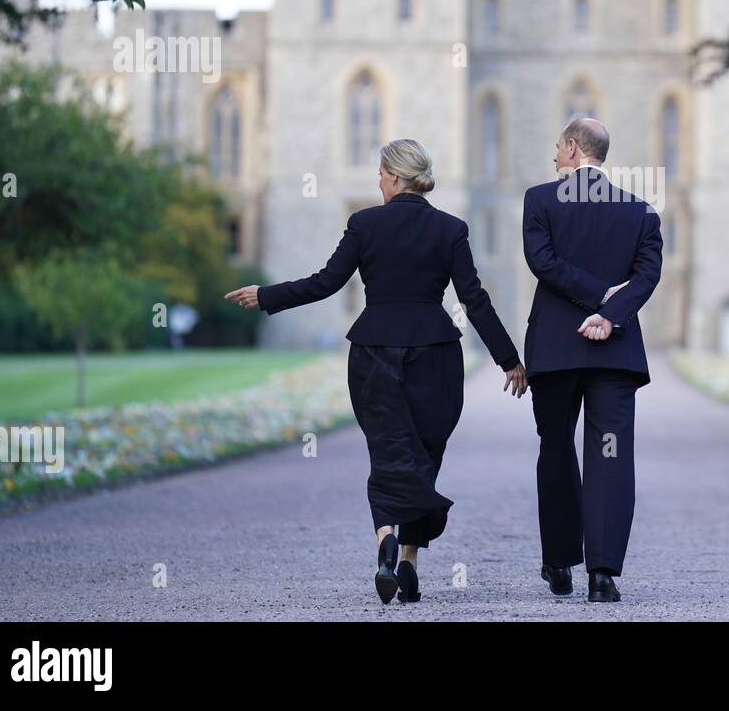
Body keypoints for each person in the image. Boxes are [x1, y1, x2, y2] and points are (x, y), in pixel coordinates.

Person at [224, 138, 526, 605]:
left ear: (395, 176)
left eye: (381, 175)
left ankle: (385, 542)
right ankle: (408, 561)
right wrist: (510, 360)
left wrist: (267, 295)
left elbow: (325, 283)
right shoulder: (451, 228)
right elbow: (475, 300)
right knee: (423, 457)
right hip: (435, 355)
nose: (378, 182)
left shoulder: (364, 224)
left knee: (388, 453)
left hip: (374, 350)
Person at [521, 117, 663, 603]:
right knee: (611, 455)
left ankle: (560, 563)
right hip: (615, 349)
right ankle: (603, 575)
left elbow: (542, 262)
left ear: (577, 149)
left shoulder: (539, 201)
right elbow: (646, 277)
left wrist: (598, 300)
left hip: (557, 349)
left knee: (556, 447)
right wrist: (610, 309)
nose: (555, 156)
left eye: (559, 147)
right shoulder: (640, 211)